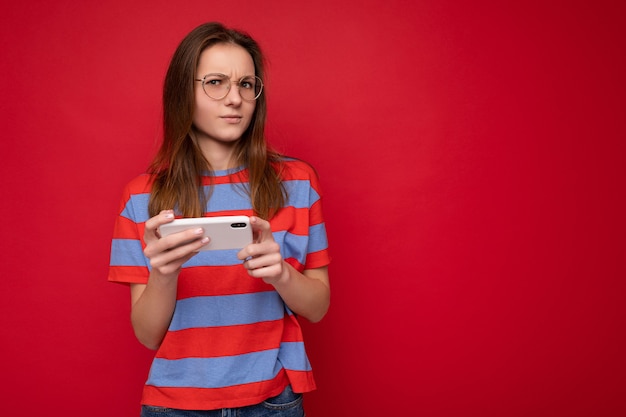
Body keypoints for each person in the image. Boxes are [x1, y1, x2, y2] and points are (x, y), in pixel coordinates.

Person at [108, 22, 331, 417]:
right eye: (216, 82)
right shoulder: (141, 197)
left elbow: (317, 306)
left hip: (272, 402)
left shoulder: (297, 183)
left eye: (247, 84)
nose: (235, 99)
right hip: (175, 406)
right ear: (183, 92)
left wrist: (280, 272)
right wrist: (163, 274)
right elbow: (147, 334)